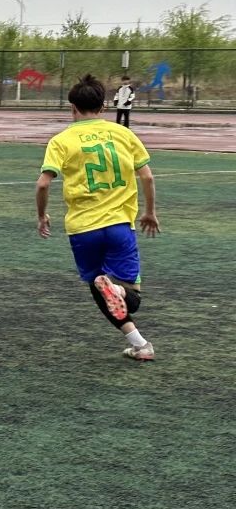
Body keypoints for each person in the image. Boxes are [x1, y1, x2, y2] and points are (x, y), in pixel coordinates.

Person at [36, 74, 159, 361]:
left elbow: (43, 184)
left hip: (82, 229)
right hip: (119, 226)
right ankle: (120, 297)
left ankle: (140, 345)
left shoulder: (61, 140)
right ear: (103, 107)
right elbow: (147, 177)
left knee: (97, 287)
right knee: (131, 296)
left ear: (72, 108)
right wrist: (150, 212)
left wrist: (42, 216)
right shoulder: (123, 134)